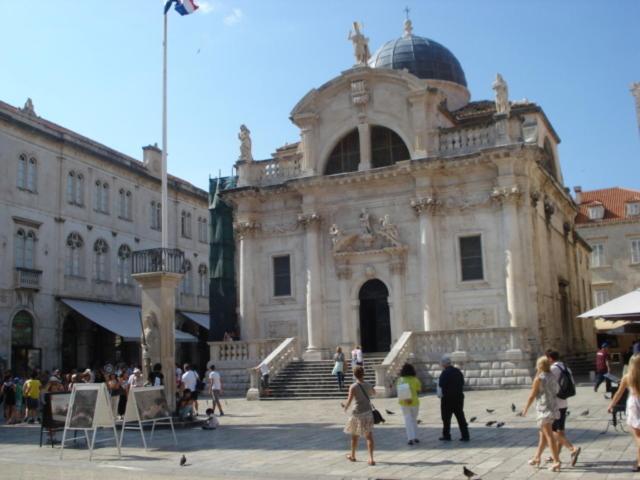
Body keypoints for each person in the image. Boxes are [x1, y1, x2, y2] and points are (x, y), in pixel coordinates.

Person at [522, 356, 561, 472]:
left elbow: (532, 395)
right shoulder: (552, 376)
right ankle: (537, 458)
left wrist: (525, 409)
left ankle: (556, 461)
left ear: (539, 366)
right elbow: (557, 390)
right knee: (542, 435)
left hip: (544, 410)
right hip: (553, 408)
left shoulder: (539, 378)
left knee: (549, 436)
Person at [546, 350, 581, 466]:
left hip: (554, 403)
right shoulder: (565, 367)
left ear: (550, 358)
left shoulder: (553, 369)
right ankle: (555, 455)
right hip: (564, 403)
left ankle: (572, 449)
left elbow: (543, 382)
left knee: (551, 431)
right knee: (560, 431)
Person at [609, 354, 640, 472]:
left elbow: (618, 393)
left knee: (637, 436)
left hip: (634, 405)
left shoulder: (627, 377)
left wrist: (611, 405)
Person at [342, 366, 375, 466]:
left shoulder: (353, 386)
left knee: (354, 436)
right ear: (363, 374)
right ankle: (371, 458)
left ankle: (353, 455)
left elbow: (350, 399)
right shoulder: (368, 384)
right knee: (369, 436)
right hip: (368, 411)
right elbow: (373, 393)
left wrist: (345, 407)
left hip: (357, 413)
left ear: (354, 375)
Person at [438, 355, 469, 442]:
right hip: (458, 397)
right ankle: (465, 435)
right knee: (460, 416)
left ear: (444, 364)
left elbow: (441, 384)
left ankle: (446, 435)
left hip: (447, 399)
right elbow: (462, 382)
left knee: (446, 418)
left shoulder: (445, 373)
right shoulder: (458, 371)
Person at [396, 363, 422, 445]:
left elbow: (399, 391)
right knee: (414, 419)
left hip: (404, 402)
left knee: (407, 420)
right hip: (414, 402)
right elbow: (418, 390)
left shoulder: (400, 380)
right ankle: (416, 437)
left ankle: (410, 438)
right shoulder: (415, 379)